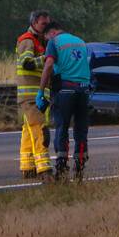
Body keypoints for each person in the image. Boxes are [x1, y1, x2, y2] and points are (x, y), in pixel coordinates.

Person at [39, 21, 91, 181]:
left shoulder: (54, 42)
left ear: (52, 32)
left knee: (62, 128)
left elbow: (48, 65)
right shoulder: (80, 41)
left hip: (65, 91)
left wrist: (41, 91)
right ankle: (80, 168)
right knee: (81, 131)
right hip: (84, 91)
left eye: (46, 37)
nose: (46, 40)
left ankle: (61, 169)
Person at [16, 10, 53, 182]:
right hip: (30, 94)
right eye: (43, 24)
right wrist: (48, 58)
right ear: (34, 23)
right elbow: (27, 63)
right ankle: (44, 169)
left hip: (38, 95)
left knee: (28, 129)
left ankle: (28, 167)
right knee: (39, 130)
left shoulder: (42, 41)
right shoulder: (27, 40)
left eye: (48, 23)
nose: (47, 27)